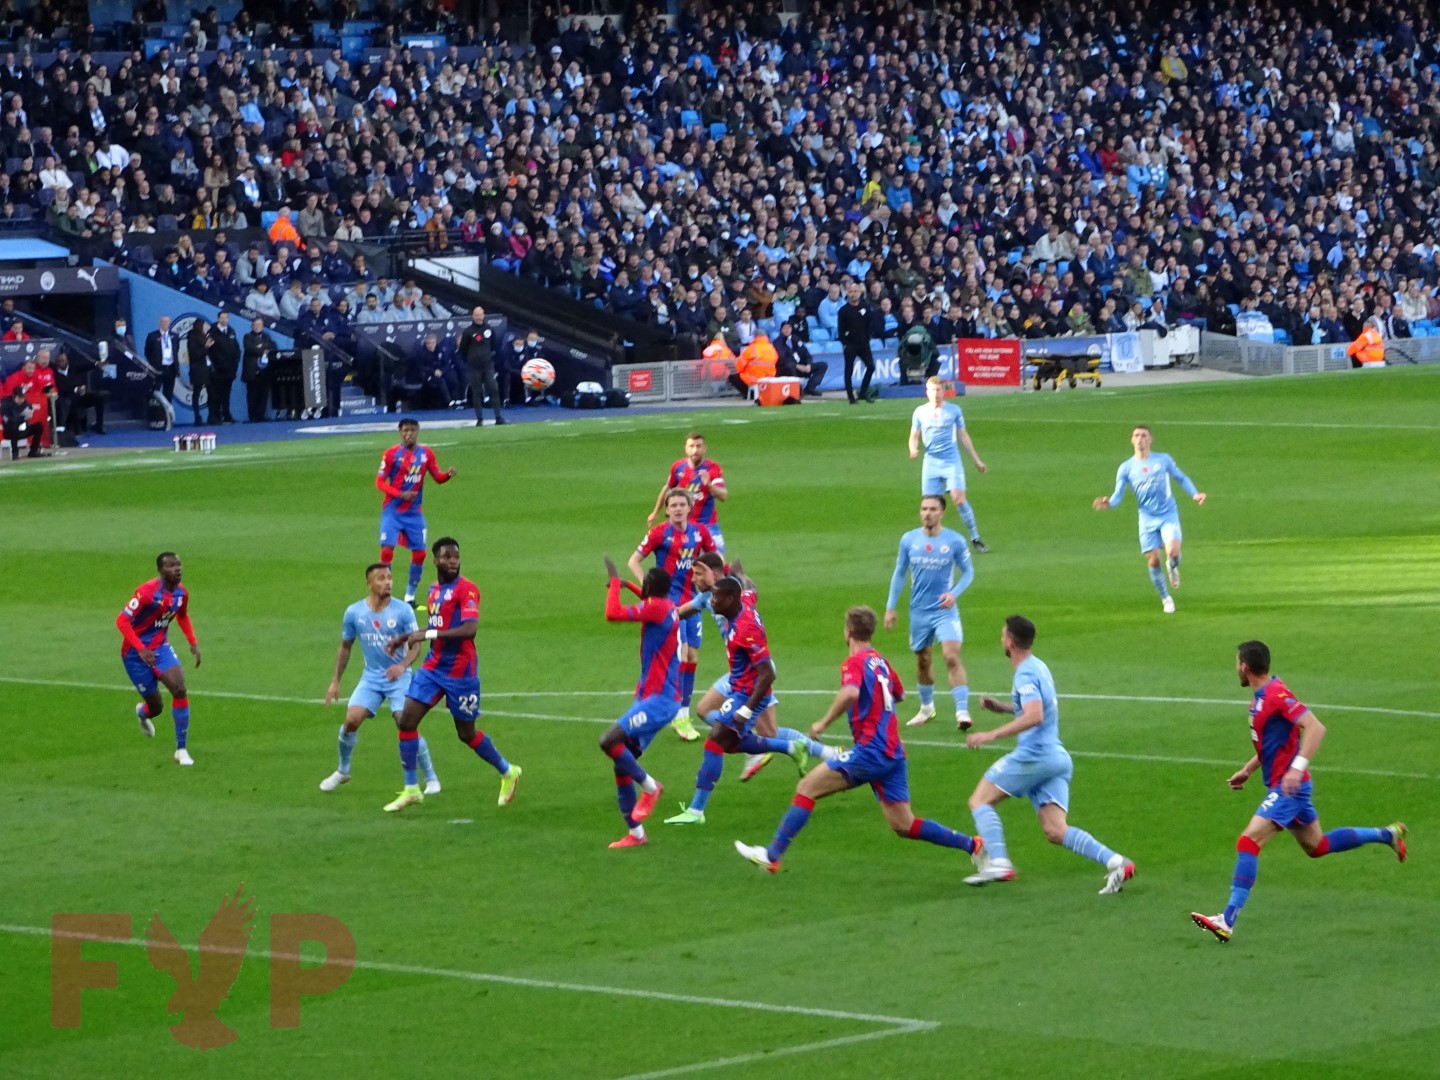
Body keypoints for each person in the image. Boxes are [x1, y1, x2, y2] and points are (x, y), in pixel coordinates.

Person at [1189, 641, 1407, 943]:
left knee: (1248, 841)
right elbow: (1275, 742)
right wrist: (1249, 769)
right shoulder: (1261, 698)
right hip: (1288, 784)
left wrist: (1295, 768)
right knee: (1317, 846)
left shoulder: (1277, 695)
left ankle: (1227, 919)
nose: (1236, 667)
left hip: (1289, 787)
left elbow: (1315, 728)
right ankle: (1387, 834)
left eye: (1237, 662)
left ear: (1245, 667)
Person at [735, 605, 980, 872]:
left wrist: (823, 722)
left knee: (807, 788)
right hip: (893, 753)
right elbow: (898, 694)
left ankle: (771, 856)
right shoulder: (881, 661)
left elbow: (850, 693)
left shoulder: (854, 662)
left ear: (848, 632)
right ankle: (973, 845)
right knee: (904, 824)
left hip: (870, 751)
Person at [962, 616, 1135, 892]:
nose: (1001, 639)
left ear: (1010, 641)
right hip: (1056, 758)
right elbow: (1035, 707)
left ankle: (1000, 862)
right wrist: (1005, 707)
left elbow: (1035, 715)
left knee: (979, 800)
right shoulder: (1038, 667)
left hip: (1035, 756)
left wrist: (991, 734)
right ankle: (1117, 862)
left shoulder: (1026, 673)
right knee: (1055, 830)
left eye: (1002, 634)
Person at [381, 537, 521, 812]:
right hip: (434, 667)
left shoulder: (467, 590)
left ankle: (508, 771)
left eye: (455, 557)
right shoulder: (434, 590)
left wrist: (426, 633)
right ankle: (411, 788)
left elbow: (469, 630)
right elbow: (438, 626)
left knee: (466, 733)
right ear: (435, 561)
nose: (452, 561)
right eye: (446, 557)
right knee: (407, 721)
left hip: (461, 673)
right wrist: (406, 637)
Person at [664, 576, 812, 825]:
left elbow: (768, 673)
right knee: (730, 744)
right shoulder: (743, 601)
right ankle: (788, 747)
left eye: (717, 598)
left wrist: (746, 709)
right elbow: (751, 589)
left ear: (731, 599)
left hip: (748, 693)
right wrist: (737, 573)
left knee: (715, 742)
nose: (713, 601)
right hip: (738, 688)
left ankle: (696, 811)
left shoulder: (746, 629)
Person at [688, 552, 833, 782]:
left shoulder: (730, 593)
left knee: (769, 733)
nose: (694, 579)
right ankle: (756, 745)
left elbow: (747, 588)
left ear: (714, 574)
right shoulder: (707, 597)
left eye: (698, 574)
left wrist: (730, 577)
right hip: (738, 671)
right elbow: (679, 612)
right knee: (705, 710)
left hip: (755, 670)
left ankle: (827, 754)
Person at [320, 563, 440, 796]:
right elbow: (346, 646)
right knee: (351, 721)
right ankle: (343, 770)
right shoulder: (354, 613)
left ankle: (431, 778)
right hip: (372, 677)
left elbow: (415, 646)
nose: (388, 582)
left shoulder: (403, 610)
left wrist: (402, 665)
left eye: (390, 578)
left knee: (405, 723)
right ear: (369, 583)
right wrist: (335, 681)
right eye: (381, 578)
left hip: (400, 677)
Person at [599, 556, 679, 848]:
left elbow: (612, 613)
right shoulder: (667, 607)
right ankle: (636, 834)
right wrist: (626, 585)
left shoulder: (656, 608)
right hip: (653, 698)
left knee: (608, 740)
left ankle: (650, 787)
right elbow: (646, 599)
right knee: (622, 764)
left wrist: (615, 584)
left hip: (658, 701)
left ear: (649, 587)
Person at [630, 487, 716, 742]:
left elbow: (715, 558)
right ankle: (674, 712)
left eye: (682, 504)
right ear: (666, 509)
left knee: (691, 656)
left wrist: (712, 579)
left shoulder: (699, 532)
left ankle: (681, 711)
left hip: (693, 600)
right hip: (669, 604)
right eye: (673, 505)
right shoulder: (659, 533)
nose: (678, 508)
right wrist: (649, 588)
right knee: (679, 654)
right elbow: (634, 560)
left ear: (690, 507)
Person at [885, 494, 976, 731]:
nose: (927, 513)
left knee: (951, 656)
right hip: (919, 611)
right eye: (924, 508)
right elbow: (899, 573)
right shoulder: (909, 540)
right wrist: (890, 607)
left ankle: (962, 711)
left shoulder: (954, 541)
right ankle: (927, 708)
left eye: (933, 509)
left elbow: (968, 572)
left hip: (944, 610)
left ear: (942, 512)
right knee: (923, 660)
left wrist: (954, 593)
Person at [1092, 425, 1206, 614]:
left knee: (1174, 553)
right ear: (1131, 440)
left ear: (1150, 439)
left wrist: (1195, 494)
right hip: (1146, 518)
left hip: (1168, 513)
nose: (1140, 439)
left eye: (1144, 435)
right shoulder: (1126, 467)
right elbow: (1118, 494)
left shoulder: (1163, 460)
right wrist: (1109, 503)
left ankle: (1172, 566)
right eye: (1136, 435)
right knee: (1153, 561)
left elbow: (1181, 478)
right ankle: (1165, 598)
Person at [115, 552, 201, 766]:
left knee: (180, 689)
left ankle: (181, 749)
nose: (177, 569)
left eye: (179, 564)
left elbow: (182, 615)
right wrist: (140, 648)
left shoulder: (181, 594)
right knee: (156, 707)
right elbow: (122, 621)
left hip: (160, 648)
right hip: (135, 655)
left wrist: (192, 642)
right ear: (161, 570)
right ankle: (142, 712)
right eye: (171, 566)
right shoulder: (146, 593)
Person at [376, 417, 456, 604]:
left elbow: (437, 477)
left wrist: (447, 476)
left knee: (420, 553)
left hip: (414, 513)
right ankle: (384, 594)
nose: (408, 433)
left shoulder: (426, 454)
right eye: (405, 430)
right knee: (387, 550)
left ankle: (409, 598)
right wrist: (400, 494)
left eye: (412, 430)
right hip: (392, 511)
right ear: (400, 432)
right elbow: (379, 482)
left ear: (418, 430)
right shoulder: (391, 454)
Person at [908, 376, 990, 551]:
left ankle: (975, 537)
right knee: (931, 505)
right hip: (930, 462)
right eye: (932, 390)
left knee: (958, 499)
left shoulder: (954, 411)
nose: (936, 394)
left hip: (951, 461)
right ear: (927, 392)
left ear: (944, 392)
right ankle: (932, 540)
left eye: (939, 390)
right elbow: (914, 435)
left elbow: (963, 435)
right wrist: (913, 449)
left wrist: (976, 460)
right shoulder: (920, 412)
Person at [648, 432, 729, 552]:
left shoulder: (713, 468)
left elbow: (723, 496)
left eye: (698, 446)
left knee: (718, 562)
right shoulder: (678, 467)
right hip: (685, 527)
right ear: (686, 449)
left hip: (708, 525)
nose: (695, 450)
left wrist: (710, 485)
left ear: (704, 448)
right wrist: (655, 512)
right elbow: (667, 489)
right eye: (691, 446)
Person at [456, 305, 506, 427]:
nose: (478, 317)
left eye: (480, 314)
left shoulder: (489, 329)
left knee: (493, 389)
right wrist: (470, 359)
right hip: (474, 367)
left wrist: (488, 357)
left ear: (484, 315)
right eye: (476, 315)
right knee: (477, 392)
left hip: (488, 366)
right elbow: (462, 350)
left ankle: (498, 417)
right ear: (473, 316)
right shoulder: (468, 331)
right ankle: (479, 419)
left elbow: (494, 346)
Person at [837, 281, 877, 404]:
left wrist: (867, 337)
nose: (853, 294)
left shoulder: (865, 307)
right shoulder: (843, 311)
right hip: (850, 345)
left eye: (855, 291)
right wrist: (845, 343)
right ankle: (851, 397)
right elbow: (841, 329)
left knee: (871, 367)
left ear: (860, 293)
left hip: (864, 344)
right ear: (847, 294)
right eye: (850, 292)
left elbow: (871, 323)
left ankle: (863, 392)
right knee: (849, 370)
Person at [52, 350, 108, 437]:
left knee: (99, 397)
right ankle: (75, 428)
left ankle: (99, 425)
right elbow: (62, 389)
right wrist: (76, 389)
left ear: (67, 361)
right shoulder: (55, 374)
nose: (61, 363)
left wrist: (96, 364)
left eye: (63, 360)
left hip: (82, 396)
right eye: (58, 361)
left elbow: (85, 366)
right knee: (72, 398)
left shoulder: (73, 367)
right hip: (68, 398)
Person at [241, 316, 276, 422]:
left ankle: (261, 416)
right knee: (252, 394)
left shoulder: (267, 337)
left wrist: (261, 347)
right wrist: (263, 349)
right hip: (252, 372)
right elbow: (250, 348)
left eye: (259, 325)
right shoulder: (247, 337)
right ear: (252, 326)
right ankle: (252, 416)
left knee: (263, 394)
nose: (257, 327)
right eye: (255, 325)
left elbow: (272, 347)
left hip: (264, 372)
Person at [208, 310, 240, 423]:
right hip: (217, 370)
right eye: (222, 318)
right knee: (215, 394)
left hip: (230, 370)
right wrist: (216, 365)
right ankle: (215, 416)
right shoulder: (212, 332)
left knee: (226, 395)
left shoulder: (231, 331)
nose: (224, 320)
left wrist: (236, 361)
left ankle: (227, 415)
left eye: (226, 318)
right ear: (218, 319)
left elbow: (236, 348)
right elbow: (211, 351)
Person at [144, 315, 180, 406]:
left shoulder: (175, 336)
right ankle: (154, 413)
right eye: (163, 322)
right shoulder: (152, 336)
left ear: (170, 324)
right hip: (157, 369)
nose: (165, 324)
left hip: (171, 369)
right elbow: (147, 352)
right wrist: (153, 363)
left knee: (168, 393)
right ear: (159, 323)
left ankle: (167, 414)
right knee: (154, 391)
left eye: (167, 322)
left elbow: (176, 350)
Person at [185, 316, 212, 424]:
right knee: (196, 393)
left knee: (212, 393)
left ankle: (212, 416)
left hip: (208, 369)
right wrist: (205, 347)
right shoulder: (192, 337)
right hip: (198, 370)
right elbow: (195, 354)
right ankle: (197, 417)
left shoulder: (204, 336)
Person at [2, 383, 40, 459]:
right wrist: (23, 418)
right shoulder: (6, 404)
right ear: (14, 396)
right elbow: (9, 421)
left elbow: (30, 406)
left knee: (39, 427)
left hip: (23, 429)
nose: (21, 400)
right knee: (13, 428)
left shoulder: (24, 402)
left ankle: (33, 451)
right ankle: (15, 453)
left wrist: (32, 409)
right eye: (19, 398)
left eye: (23, 397)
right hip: (9, 431)